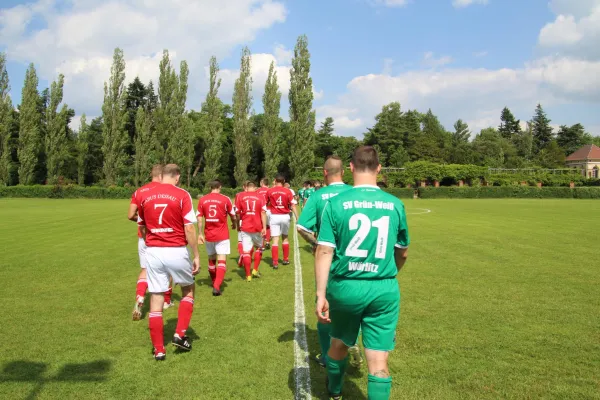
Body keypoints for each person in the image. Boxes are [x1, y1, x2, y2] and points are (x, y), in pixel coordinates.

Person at [315, 146, 410, 400]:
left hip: (345, 287)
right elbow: (402, 252)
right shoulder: (395, 204)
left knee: (339, 344)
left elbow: (324, 251)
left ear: (352, 168)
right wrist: (389, 274)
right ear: (379, 168)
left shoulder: (335, 203)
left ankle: (335, 391)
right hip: (383, 288)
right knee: (378, 361)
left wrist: (320, 294)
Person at [296, 156, 363, 369]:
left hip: (329, 260)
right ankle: (351, 341)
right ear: (344, 172)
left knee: (324, 307)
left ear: (324, 173)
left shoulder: (318, 196)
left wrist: (316, 243)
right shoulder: (356, 192)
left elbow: (302, 228)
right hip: (356, 260)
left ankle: (327, 355)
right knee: (353, 304)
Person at [137, 164, 201, 361]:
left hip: (153, 251)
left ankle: (159, 350)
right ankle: (179, 334)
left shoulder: (143, 195)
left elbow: (142, 226)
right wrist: (196, 254)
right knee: (188, 289)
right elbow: (189, 228)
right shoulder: (182, 195)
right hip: (176, 249)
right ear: (177, 177)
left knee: (156, 297)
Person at [128, 164, 174, 321]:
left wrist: (144, 221)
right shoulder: (164, 191)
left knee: (145, 269)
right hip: (160, 236)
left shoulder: (140, 191)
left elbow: (130, 215)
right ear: (162, 176)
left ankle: (140, 297)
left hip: (143, 236)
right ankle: (167, 301)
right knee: (167, 268)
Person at [197, 180, 237, 296]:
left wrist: (200, 233)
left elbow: (200, 218)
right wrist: (234, 224)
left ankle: (215, 281)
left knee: (211, 259)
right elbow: (233, 215)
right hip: (222, 235)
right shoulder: (225, 199)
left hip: (209, 234)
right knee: (222, 260)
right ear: (220, 187)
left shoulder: (203, 199)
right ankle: (216, 285)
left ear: (210, 187)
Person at [235, 181, 267, 281]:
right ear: (255, 187)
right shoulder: (260, 197)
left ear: (247, 187)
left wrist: (237, 224)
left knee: (246, 251)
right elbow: (263, 213)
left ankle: (248, 275)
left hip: (245, 226)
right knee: (259, 248)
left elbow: (237, 213)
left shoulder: (240, 196)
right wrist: (264, 227)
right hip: (257, 227)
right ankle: (255, 270)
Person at [266, 175, 299, 269]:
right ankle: (285, 259)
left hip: (274, 216)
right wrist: (297, 218)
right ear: (284, 181)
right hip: (285, 216)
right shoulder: (287, 191)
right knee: (285, 237)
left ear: (275, 180)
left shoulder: (270, 191)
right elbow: (293, 205)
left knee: (275, 240)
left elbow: (265, 204)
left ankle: (275, 262)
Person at [256, 178, 271, 250]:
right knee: (268, 226)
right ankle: (267, 241)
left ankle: (261, 244)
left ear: (262, 183)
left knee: (261, 227)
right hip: (269, 210)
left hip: (261, 211)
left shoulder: (258, 191)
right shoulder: (270, 190)